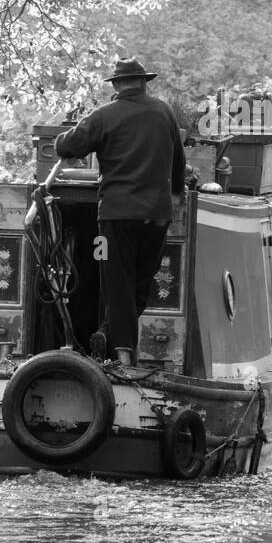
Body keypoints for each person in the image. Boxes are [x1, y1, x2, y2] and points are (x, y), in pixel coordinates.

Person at [54, 58, 186, 367]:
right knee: (141, 285)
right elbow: (177, 161)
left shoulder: (103, 116)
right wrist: (177, 193)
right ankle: (111, 334)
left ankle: (121, 351)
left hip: (114, 218)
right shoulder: (163, 111)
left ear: (115, 85)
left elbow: (69, 145)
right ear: (144, 83)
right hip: (156, 216)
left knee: (117, 283)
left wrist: (59, 139)